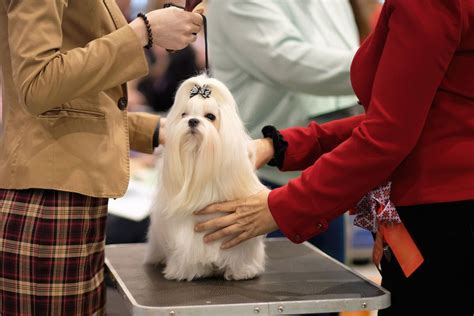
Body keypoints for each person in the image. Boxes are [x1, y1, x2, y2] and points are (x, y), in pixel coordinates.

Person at [195, 1, 474, 315]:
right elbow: (415, 115)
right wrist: (281, 145)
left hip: (440, 222)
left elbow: (389, 132)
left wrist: (282, 206)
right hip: (418, 207)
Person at [0, 1, 202, 314]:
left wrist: (160, 130)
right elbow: (39, 84)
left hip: (72, 198)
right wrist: (142, 32)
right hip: (51, 202)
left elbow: (76, 106)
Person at [206, 0, 368, 262]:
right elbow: (291, 64)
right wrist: (386, 64)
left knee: (329, 288)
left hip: (323, 173)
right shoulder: (236, 3)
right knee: (266, 293)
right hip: (260, 177)